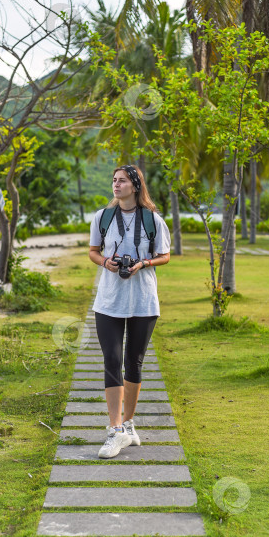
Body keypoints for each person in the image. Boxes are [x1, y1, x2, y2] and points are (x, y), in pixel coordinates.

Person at [88, 164, 171, 459]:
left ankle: (129, 424)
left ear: (135, 185)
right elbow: (93, 251)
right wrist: (105, 263)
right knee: (112, 359)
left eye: (122, 181)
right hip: (109, 300)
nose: (116, 185)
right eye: (114, 180)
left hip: (143, 300)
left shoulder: (153, 220)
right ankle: (114, 430)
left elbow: (164, 256)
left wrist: (143, 263)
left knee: (133, 361)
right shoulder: (102, 216)